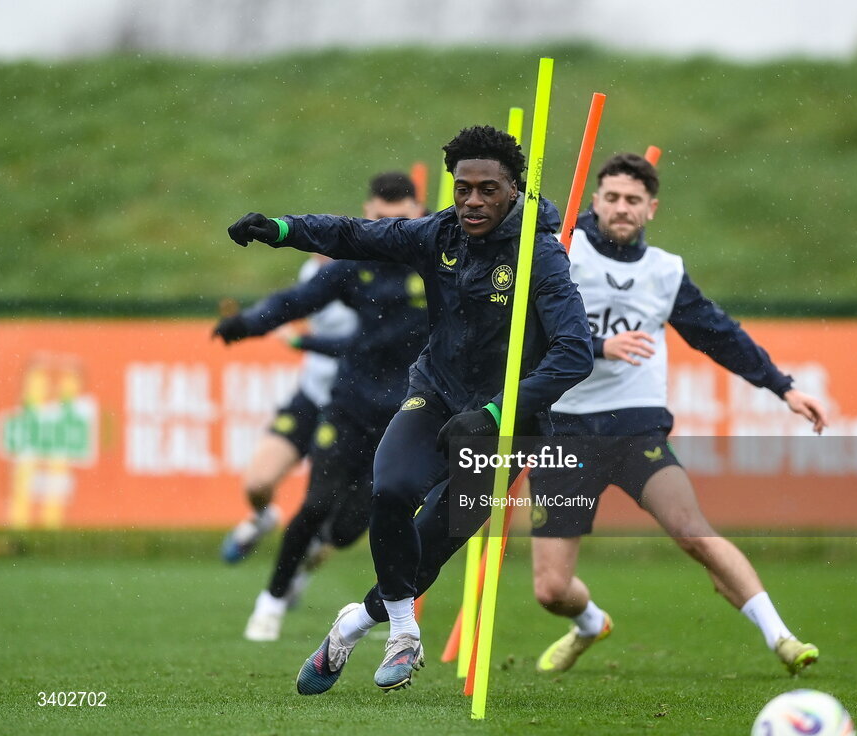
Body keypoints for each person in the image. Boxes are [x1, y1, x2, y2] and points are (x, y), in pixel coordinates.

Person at [226, 124, 593, 691]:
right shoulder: (438, 235)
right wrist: (281, 229)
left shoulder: (540, 255)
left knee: (428, 552)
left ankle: (351, 626)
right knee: (390, 489)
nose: (473, 201)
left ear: (515, 190)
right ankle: (404, 633)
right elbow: (355, 234)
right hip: (436, 395)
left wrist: (496, 414)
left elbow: (574, 354)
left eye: (488, 190)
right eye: (463, 188)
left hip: (509, 428)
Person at [527, 153, 828, 677]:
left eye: (634, 201)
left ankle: (782, 637)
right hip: (565, 429)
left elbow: (720, 335)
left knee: (692, 530)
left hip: (634, 424)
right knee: (552, 590)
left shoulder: (664, 271)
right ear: (595, 201)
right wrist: (599, 345)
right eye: (613, 198)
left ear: (652, 209)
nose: (622, 208)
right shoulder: (560, 254)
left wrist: (783, 387)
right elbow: (529, 334)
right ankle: (590, 622)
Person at [216, 172, 428, 642]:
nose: (389, 233)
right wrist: (247, 324)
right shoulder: (353, 263)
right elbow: (298, 300)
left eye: (400, 222)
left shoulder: (440, 255)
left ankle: (366, 595)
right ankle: (270, 602)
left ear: (418, 214)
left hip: (409, 413)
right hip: (349, 404)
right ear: (368, 214)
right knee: (315, 504)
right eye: (380, 221)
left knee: (359, 525)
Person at [217, 252, 357, 570]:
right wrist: (254, 322)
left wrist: (302, 342)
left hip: (352, 405)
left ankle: (294, 581)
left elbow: (358, 344)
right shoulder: (312, 271)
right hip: (311, 394)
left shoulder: (370, 278)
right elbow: (290, 303)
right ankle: (263, 518)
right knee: (257, 482)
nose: (318, 252)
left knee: (325, 516)